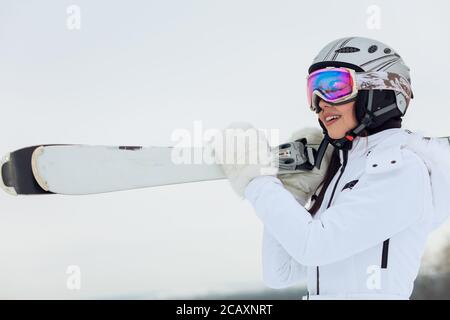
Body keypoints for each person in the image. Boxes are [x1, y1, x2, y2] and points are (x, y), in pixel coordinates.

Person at [215, 36, 450, 299]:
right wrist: (292, 191)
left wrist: (256, 179)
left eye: (334, 86)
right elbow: (279, 272)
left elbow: (312, 246)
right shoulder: (343, 170)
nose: (320, 103)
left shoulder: (402, 169)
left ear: (379, 90)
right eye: (313, 91)